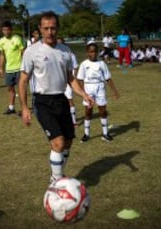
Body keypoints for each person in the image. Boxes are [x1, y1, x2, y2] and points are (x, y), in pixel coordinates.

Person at [18, 11, 94, 182]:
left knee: (68, 142)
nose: (50, 32)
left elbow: (70, 78)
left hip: (61, 99)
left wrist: (83, 94)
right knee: (58, 142)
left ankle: (57, 174)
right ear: (40, 29)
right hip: (43, 101)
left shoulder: (65, 51)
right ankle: (57, 181)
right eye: (46, 28)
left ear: (58, 28)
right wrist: (24, 108)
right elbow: (22, 81)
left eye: (53, 28)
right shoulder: (31, 52)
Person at [77, 43, 119, 143]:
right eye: (91, 52)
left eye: (95, 51)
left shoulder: (102, 63)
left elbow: (108, 78)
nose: (94, 54)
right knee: (88, 111)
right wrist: (84, 93)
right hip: (88, 88)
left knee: (103, 111)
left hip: (100, 87)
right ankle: (86, 134)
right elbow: (80, 79)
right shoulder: (84, 64)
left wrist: (114, 91)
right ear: (87, 53)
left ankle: (105, 133)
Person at [0, 21, 25, 114]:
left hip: (19, 68)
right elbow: (2, 55)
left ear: (11, 30)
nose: (6, 32)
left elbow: (23, 52)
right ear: (2, 31)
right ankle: (11, 108)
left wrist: (25, 66)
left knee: (21, 88)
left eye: (8, 30)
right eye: (4, 30)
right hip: (8, 69)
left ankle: (23, 108)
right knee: (10, 89)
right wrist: (1, 68)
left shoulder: (17, 39)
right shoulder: (1, 41)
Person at [57, 37, 79, 127]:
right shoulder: (54, 54)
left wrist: (72, 78)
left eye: (61, 43)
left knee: (69, 99)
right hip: (58, 81)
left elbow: (75, 67)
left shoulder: (70, 54)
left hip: (68, 81)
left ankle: (73, 121)